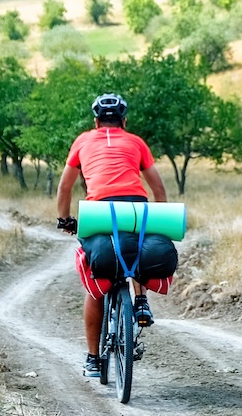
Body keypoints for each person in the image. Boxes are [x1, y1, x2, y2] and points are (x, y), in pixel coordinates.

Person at [56, 93, 168, 378]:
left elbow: (65, 186)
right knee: (138, 247)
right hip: (135, 207)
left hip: (99, 212)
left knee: (97, 282)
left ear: (96, 121)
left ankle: (93, 359)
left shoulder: (83, 141)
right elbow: (158, 188)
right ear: (124, 121)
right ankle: (141, 301)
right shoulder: (136, 142)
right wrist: (158, 219)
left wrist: (65, 219)